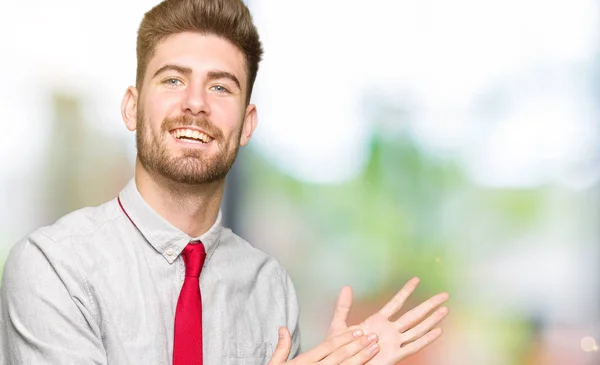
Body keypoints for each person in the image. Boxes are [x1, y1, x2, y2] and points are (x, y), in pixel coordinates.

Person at [0, 0, 449, 364]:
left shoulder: (270, 288)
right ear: (131, 108)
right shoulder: (52, 268)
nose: (195, 103)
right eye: (173, 79)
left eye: (220, 87)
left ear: (247, 123)